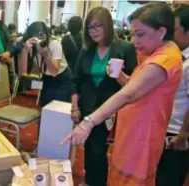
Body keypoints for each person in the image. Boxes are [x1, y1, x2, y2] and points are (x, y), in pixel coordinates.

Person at [62, 3, 183, 186]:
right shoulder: (154, 53)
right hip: (127, 125)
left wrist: (89, 122)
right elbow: (134, 85)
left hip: (140, 132)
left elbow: (129, 93)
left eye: (140, 34)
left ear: (161, 31)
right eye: (133, 33)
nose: (135, 40)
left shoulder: (162, 60)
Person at [69, 7, 137, 186]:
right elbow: (75, 80)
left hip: (112, 110)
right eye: (90, 27)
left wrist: (120, 75)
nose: (94, 31)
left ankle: (94, 182)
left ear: (108, 25)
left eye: (98, 26)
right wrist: (75, 107)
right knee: (89, 147)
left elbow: (134, 87)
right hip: (87, 106)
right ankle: (90, 180)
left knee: (99, 149)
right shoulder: (87, 50)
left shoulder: (125, 48)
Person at [156, 5, 189, 186]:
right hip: (168, 128)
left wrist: (183, 135)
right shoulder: (177, 57)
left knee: (169, 179)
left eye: (174, 30)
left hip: (177, 134)